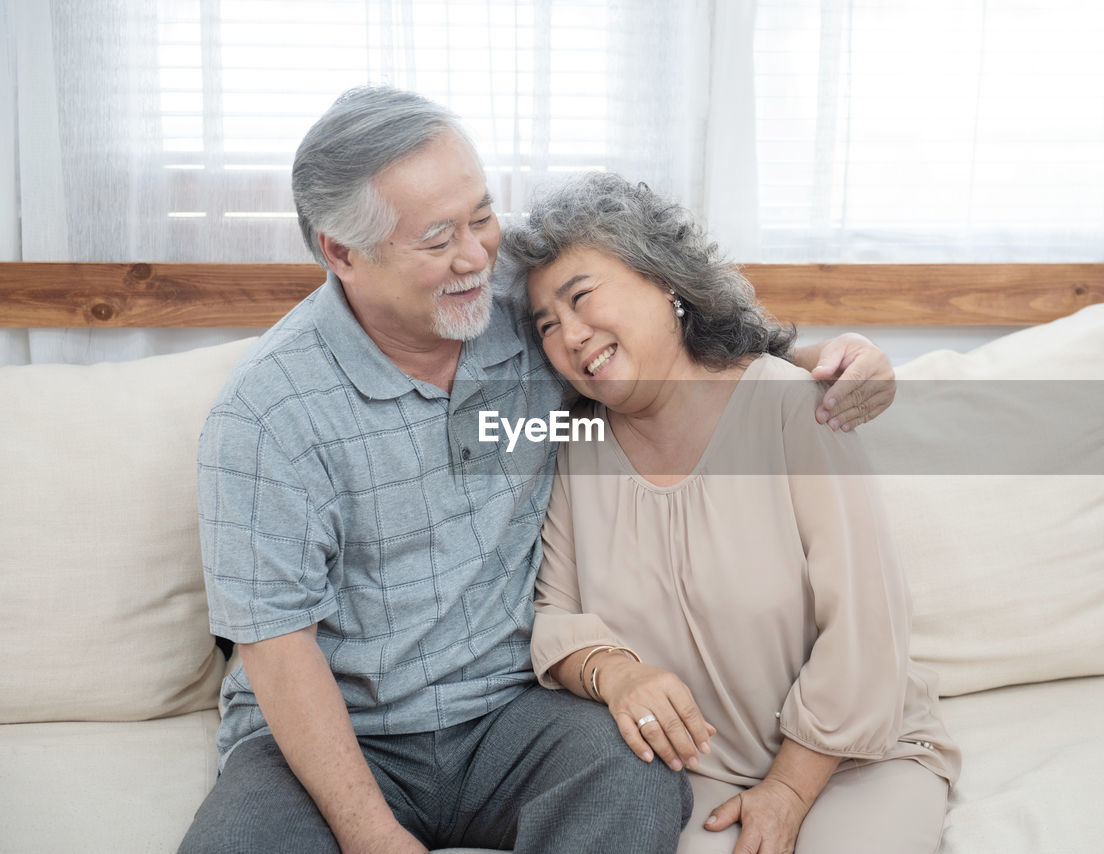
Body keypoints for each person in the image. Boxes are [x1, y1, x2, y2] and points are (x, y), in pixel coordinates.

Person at [180, 86, 897, 854]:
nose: (474, 256)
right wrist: (371, 835)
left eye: (482, 216)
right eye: (437, 238)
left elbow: (657, 338)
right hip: (336, 735)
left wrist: (814, 362)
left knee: (637, 780)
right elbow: (279, 651)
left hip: (511, 716)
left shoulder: (524, 310)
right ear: (342, 253)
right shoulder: (265, 416)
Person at [504, 173, 960, 854]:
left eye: (581, 297)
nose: (569, 335)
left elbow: (867, 625)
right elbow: (557, 618)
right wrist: (620, 674)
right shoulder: (579, 446)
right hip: (693, 771)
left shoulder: (793, 408)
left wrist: (788, 791)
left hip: (855, 758)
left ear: (665, 282)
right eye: (547, 325)